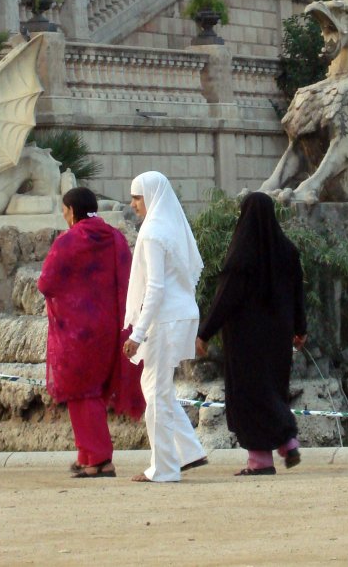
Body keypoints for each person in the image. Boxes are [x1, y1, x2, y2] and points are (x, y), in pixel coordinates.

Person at [196, 192, 307, 476]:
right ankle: (286, 440)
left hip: (245, 339)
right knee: (272, 390)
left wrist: (204, 333)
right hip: (278, 337)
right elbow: (298, 293)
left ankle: (261, 459)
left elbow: (225, 299)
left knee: (248, 394)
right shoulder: (289, 251)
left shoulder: (242, 254)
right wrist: (300, 328)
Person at [38, 187, 145, 479]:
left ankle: (99, 458)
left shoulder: (68, 241)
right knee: (93, 392)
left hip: (77, 331)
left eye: (64, 211)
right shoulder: (115, 237)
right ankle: (86, 455)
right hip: (109, 327)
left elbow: (46, 283)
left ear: (72, 211)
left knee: (80, 393)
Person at [121, 171, 208, 482]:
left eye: (137, 197)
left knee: (156, 391)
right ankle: (188, 451)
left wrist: (137, 333)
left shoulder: (153, 232)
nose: (133, 204)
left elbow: (155, 288)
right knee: (157, 387)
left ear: (152, 197)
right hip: (181, 314)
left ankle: (164, 468)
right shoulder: (170, 227)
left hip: (166, 318)